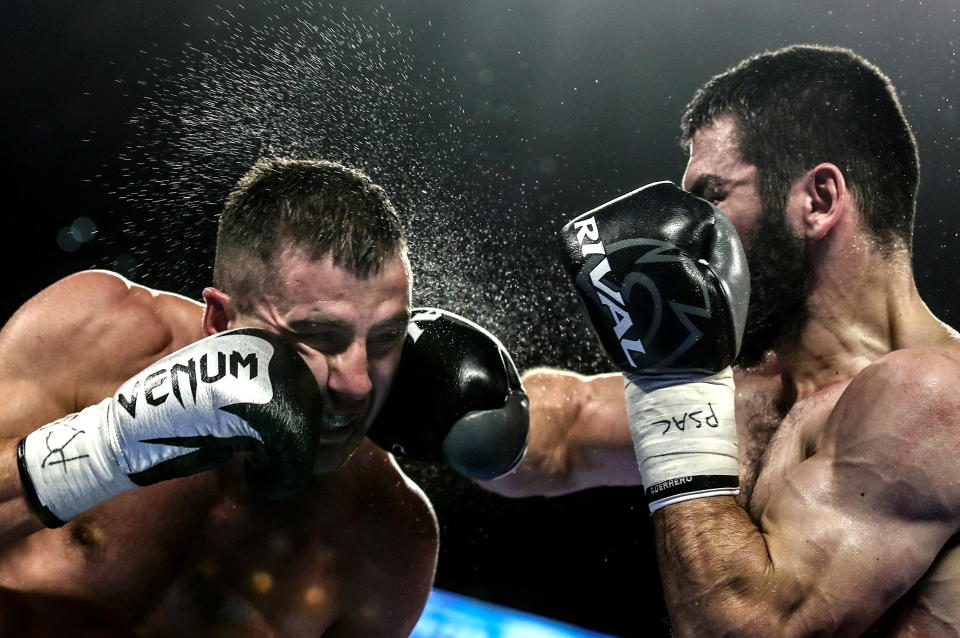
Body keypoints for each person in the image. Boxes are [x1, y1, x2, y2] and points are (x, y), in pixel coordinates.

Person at [484, 44, 960, 636]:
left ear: (819, 200)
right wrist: (418, 381)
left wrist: (675, 390)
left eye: (711, 197)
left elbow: (747, 628)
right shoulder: (752, 386)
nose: (689, 235)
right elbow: (563, 437)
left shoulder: (936, 398)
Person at [0, 157, 528, 637]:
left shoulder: (390, 538)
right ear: (222, 321)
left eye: (387, 337)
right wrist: (112, 443)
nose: (359, 383)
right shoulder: (99, 334)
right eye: (320, 335)